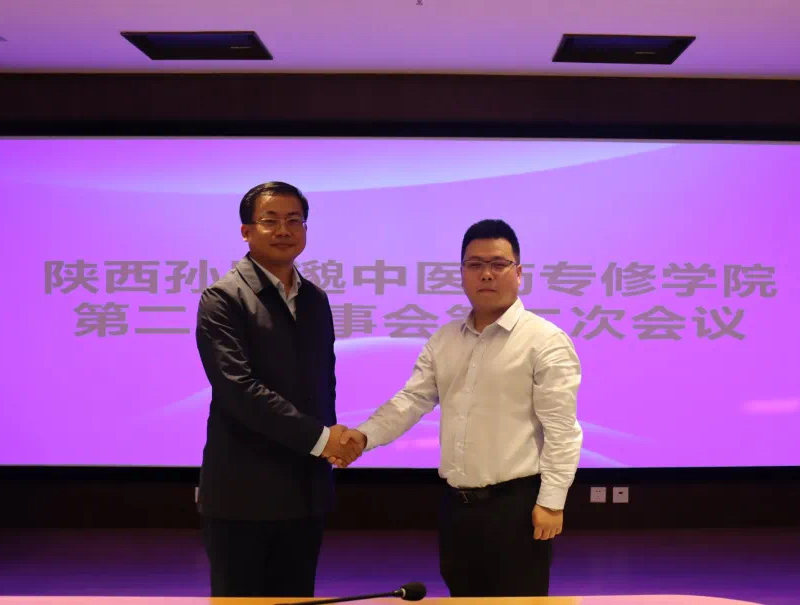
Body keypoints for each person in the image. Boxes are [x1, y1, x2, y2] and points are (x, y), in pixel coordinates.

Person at [333, 219, 583, 597]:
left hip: (516, 508)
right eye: (475, 264)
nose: (487, 274)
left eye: (498, 264)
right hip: (457, 509)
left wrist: (551, 502)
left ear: (519, 273)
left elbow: (563, 430)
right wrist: (363, 436)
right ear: (462, 274)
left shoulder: (544, 341)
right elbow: (411, 400)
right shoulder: (445, 339)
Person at [195, 181, 362, 597]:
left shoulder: (315, 300)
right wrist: (322, 439)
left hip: (305, 495)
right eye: (270, 221)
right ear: (246, 231)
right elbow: (239, 390)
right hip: (243, 498)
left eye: (294, 221)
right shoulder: (223, 298)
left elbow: (323, 386)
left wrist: (331, 446)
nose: (284, 230)